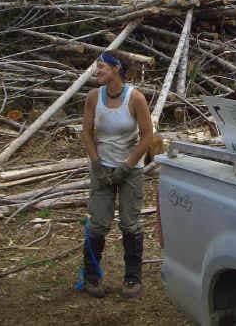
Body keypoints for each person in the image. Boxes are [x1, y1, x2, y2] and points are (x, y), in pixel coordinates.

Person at [80, 51, 153, 298]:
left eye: (101, 67)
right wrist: (97, 164)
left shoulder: (136, 98)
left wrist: (126, 167)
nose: (97, 71)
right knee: (98, 222)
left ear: (116, 68)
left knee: (130, 224)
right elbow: (87, 133)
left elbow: (147, 137)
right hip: (102, 168)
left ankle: (132, 278)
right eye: (97, 67)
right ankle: (91, 275)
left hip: (130, 169)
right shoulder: (93, 97)